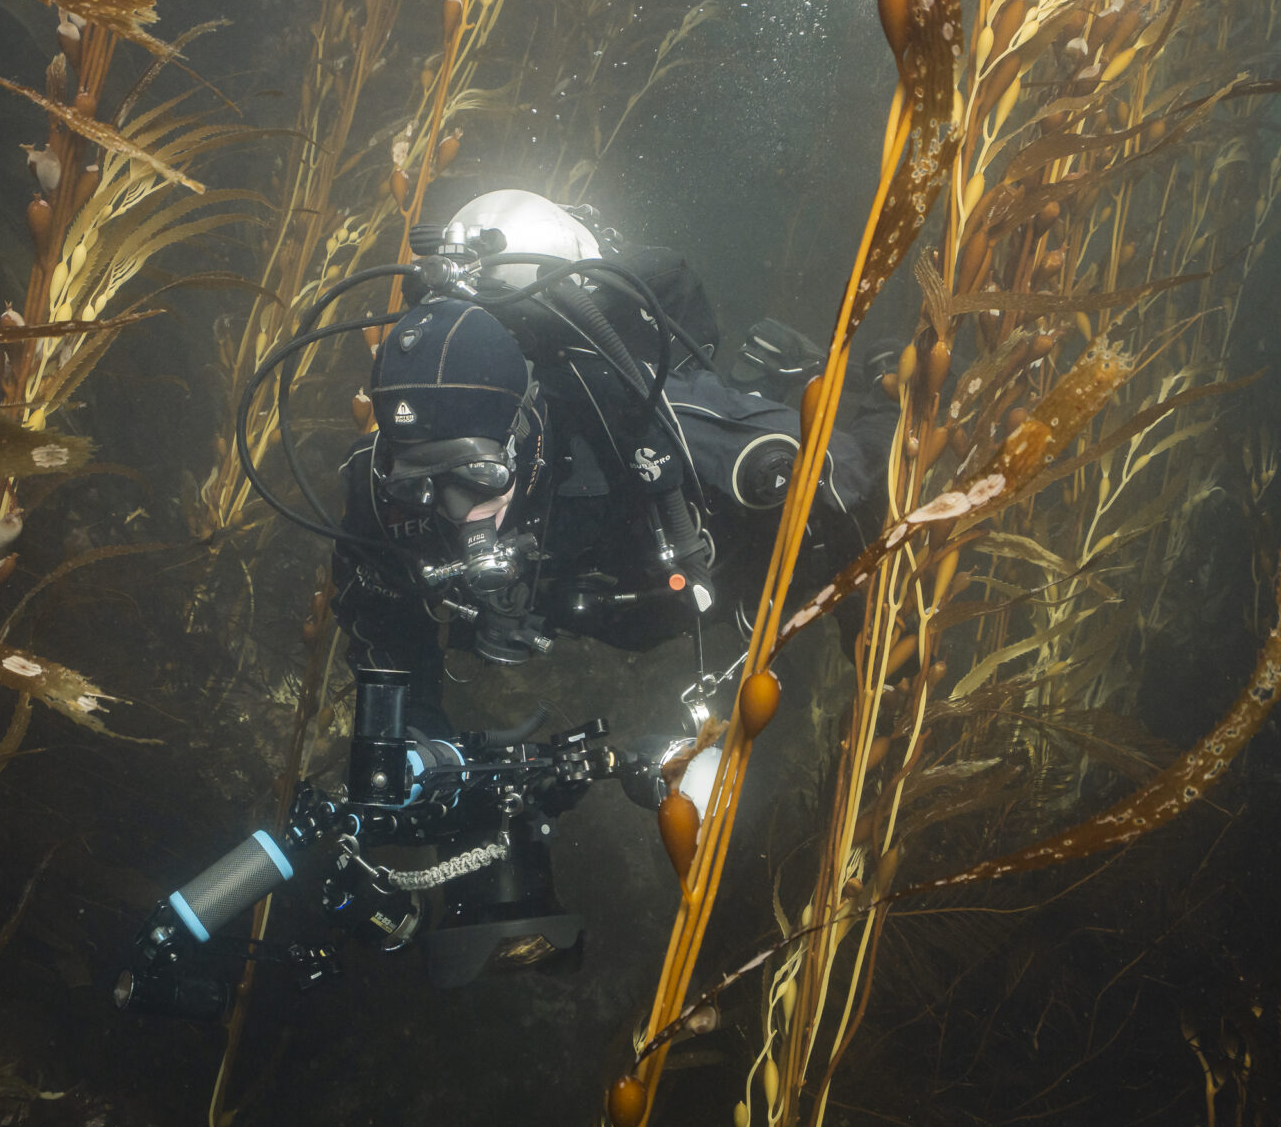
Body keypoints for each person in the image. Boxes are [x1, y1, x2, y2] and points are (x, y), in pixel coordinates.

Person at [328, 191, 899, 738]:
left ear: (526, 433)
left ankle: (773, 375)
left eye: (477, 477)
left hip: (702, 567)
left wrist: (895, 397)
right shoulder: (378, 495)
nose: (456, 515)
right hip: (612, 605)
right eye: (422, 486)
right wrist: (419, 743)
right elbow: (383, 635)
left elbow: (859, 473)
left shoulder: (634, 422)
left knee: (798, 526)